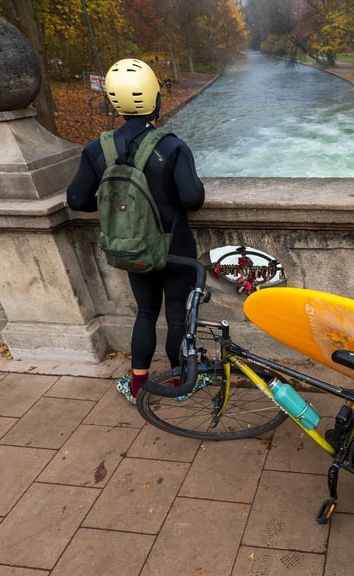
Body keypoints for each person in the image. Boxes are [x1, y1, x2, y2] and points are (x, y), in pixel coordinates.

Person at [67, 58, 205, 404]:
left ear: (115, 103)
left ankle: (139, 384)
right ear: (157, 99)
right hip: (175, 249)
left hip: (131, 248)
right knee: (176, 315)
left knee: (145, 313)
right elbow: (193, 198)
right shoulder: (173, 146)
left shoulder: (98, 149)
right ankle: (179, 384)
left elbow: (76, 199)